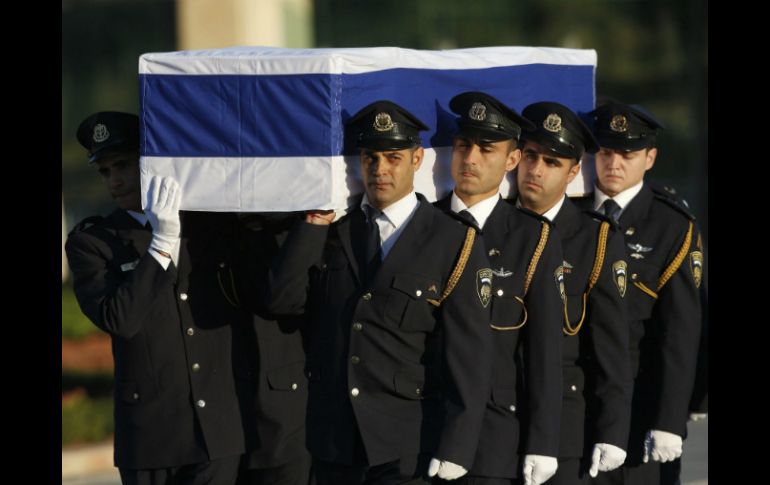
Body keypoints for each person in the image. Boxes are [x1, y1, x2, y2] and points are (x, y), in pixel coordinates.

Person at [266, 100, 495, 485]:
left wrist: (457, 444)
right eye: (370, 157)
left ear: (417, 159)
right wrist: (312, 224)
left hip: (406, 442)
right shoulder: (334, 231)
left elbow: (469, 354)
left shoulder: (453, 239)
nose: (380, 170)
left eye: (393, 157)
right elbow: (282, 300)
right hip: (335, 441)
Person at [65, 111, 246, 485]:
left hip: (217, 432)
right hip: (151, 437)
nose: (114, 181)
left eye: (124, 166)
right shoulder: (93, 242)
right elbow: (121, 318)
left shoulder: (206, 224)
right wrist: (161, 244)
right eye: (105, 171)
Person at [434, 91, 564, 485]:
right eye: (462, 145)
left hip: (493, 440)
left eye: (486, 149)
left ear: (512, 159)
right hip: (420, 426)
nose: (470, 158)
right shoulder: (423, 226)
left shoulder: (532, 237)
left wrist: (543, 442)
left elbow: (543, 350)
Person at [573, 101, 703, 485]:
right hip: (575, 405)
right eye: (606, 151)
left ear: (649, 158)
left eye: (627, 154)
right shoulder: (571, 216)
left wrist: (669, 419)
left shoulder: (671, 225)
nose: (613, 163)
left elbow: (680, 334)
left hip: (641, 409)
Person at [514, 101, 632, 484]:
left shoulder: (594, 238)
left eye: (552, 162)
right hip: (494, 422)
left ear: (574, 171)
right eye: (530, 156)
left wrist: (612, 431)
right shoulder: (490, 228)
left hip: (566, 432)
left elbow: (611, 346)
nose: (535, 170)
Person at [232, 212, 314, 485]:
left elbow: (282, 298)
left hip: (286, 425)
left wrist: (312, 222)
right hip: (226, 425)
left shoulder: (302, 229)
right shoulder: (211, 232)